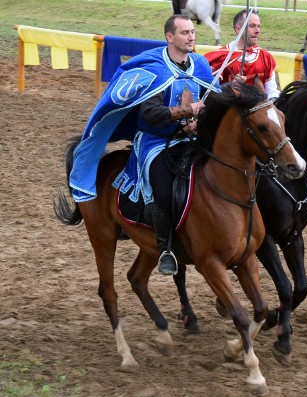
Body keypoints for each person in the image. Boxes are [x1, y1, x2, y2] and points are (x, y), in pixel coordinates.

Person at [69, 15, 216, 275]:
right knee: (162, 189)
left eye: (193, 32)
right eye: (184, 33)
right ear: (170, 37)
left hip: (189, 140)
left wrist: (200, 119)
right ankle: (166, 248)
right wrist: (186, 111)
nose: (191, 37)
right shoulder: (154, 70)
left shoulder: (201, 66)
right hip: (156, 142)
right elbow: (150, 114)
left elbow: (211, 104)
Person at [205, 9, 280, 101]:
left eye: (258, 26)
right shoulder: (222, 58)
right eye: (252, 26)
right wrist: (231, 86)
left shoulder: (266, 57)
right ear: (238, 29)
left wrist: (273, 102)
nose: (257, 30)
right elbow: (211, 94)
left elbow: (272, 91)